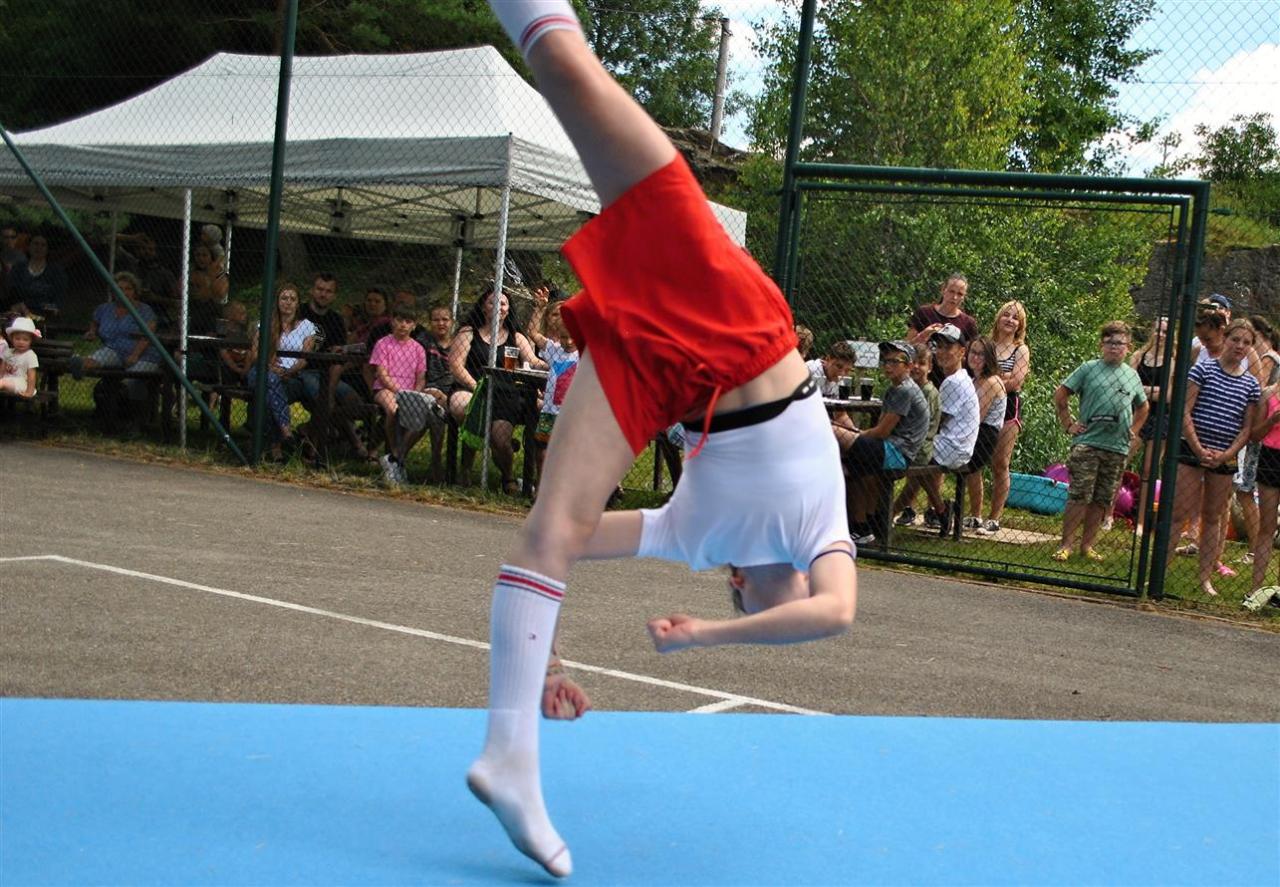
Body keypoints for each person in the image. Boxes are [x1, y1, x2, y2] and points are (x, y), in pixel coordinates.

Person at [467, 6, 857, 878]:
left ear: (740, 583)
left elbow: (555, 547)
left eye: (756, 604)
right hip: (731, 320)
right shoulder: (820, 535)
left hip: (663, 364)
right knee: (569, 72)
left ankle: (510, 750)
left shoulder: (696, 536)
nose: (780, 598)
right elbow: (832, 614)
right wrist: (711, 636)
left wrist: (544, 656)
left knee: (553, 526)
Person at [1161, 318, 1259, 596]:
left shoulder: (1251, 384)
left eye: (1246, 342)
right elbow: (1185, 410)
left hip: (1224, 457)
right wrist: (1197, 448)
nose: (1239, 346)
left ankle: (1205, 578)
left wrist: (1227, 454)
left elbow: (1246, 428)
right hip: (1191, 450)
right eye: (1235, 339)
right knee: (1178, 513)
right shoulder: (1203, 369)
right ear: (1225, 338)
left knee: (1213, 517)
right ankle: (1160, 571)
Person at [447, 287, 545, 494]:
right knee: (464, 408)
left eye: (503, 303)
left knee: (500, 440)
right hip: (471, 387)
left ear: (508, 310)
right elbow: (456, 365)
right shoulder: (468, 333)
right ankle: (465, 469)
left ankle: (507, 476)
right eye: (493, 302)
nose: (498, 307)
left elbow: (533, 361)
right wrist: (477, 388)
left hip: (505, 393)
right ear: (483, 307)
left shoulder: (516, 337)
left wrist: (555, 364)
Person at [890, 324, 978, 534]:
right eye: (940, 347)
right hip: (955, 445)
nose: (942, 352)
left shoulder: (953, 382)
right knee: (917, 465)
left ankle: (887, 514)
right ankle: (940, 510)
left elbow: (935, 423)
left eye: (949, 347)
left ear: (962, 352)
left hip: (952, 447)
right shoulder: (959, 378)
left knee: (906, 455)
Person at [841, 340, 930, 544]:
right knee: (853, 466)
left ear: (908, 366)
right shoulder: (894, 389)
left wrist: (856, 436)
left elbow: (881, 431)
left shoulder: (904, 390)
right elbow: (880, 428)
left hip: (899, 455)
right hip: (889, 448)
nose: (888, 366)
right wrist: (858, 436)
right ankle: (865, 526)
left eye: (894, 362)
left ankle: (861, 527)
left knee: (837, 436)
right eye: (885, 361)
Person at [69, 272, 163, 413]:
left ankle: (135, 416)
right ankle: (80, 365)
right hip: (114, 349)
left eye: (128, 289)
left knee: (131, 381)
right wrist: (92, 332)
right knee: (97, 358)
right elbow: (95, 322)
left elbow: (147, 335)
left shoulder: (145, 310)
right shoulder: (104, 309)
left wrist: (135, 355)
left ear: (135, 291)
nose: (123, 292)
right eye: (119, 288)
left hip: (143, 355)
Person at [247, 282, 317, 462]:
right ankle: (286, 431)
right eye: (284, 298)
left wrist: (288, 371)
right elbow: (255, 353)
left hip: (290, 375)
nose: (288, 302)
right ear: (277, 301)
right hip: (262, 371)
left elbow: (304, 358)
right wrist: (269, 366)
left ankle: (274, 449)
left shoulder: (307, 326)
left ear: (298, 303)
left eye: (292, 299)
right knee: (271, 380)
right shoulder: (266, 324)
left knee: (268, 394)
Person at [1230, 315, 1280, 564]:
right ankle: (1255, 548)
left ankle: (1254, 548)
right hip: (1263, 435)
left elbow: (1257, 390)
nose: (1246, 345)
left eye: (1251, 340)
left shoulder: (1268, 359)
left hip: (1262, 442)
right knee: (1243, 491)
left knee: (1245, 490)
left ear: (1260, 336)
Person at [980, 301, 1030, 536]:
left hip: (1008, 408)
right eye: (1006, 315)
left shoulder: (1021, 349)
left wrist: (992, 379)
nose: (1010, 320)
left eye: (1015, 317)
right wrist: (1003, 376)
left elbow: (1017, 381)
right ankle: (975, 514)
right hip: (981, 404)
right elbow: (976, 371)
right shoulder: (987, 345)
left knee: (1000, 463)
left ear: (1020, 324)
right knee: (976, 462)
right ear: (998, 318)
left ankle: (994, 518)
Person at [1123, 315, 1173, 535]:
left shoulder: (1172, 361)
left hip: (1161, 418)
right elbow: (1128, 386)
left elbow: (1168, 395)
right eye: (1158, 330)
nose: (1161, 335)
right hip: (1137, 415)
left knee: (1149, 471)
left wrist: (1141, 389)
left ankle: (1141, 521)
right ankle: (1107, 513)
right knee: (1122, 460)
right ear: (1152, 331)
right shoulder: (1138, 356)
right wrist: (1153, 391)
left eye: (1165, 332)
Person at [526, 289, 580, 488]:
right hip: (549, 413)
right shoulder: (554, 350)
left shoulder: (584, 354)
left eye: (573, 337)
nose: (569, 342)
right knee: (542, 452)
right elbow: (533, 333)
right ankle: (541, 488)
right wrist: (539, 309)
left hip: (571, 415)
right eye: (564, 337)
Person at [370, 306, 429, 485]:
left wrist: (415, 393)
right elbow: (382, 374)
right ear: (392, 321)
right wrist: (398, 391)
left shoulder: (418, 348)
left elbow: (421, 377)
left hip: (410, 391)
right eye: (399, 320)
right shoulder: (383, 344)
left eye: (408, 321)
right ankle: (395, 452)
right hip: (385, 389)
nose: (403, 325)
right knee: (393, 409)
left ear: (414, 325)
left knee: (422, 416)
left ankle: (396, 457)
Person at [960, 337, 1007, 533]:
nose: (976, 357)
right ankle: (975, 515)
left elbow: (977, 415)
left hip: (985, 431)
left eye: (981, 354)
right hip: (972, 429)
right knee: (973, 472)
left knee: (973, 468)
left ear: (989, 358)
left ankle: (991, 518)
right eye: (973, 352)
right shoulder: (972, 379)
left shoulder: (991, 381)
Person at [907, 273, 978, 385]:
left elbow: (969, 357)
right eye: (951, 291)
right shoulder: (924, 313)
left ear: (964, 297)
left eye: (960, 294)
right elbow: (906, 348)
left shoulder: (968, 323)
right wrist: (924, 335)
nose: (954, 297)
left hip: (950, 380)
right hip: (920, 377)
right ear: (943, 290)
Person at [6, 233, 67, 319]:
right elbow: (11, 293)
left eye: (43, 245)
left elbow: (58, 300)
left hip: (45, 315)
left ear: (47, 249)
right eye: (35, 244)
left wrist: (50, 309)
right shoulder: (18, 268)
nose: (39, 247)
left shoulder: (56, 271)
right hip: (20, 314)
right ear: (29, 247)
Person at [0, 315, 40, 398]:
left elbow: (31, 376)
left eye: (25, 339)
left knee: (2, 383)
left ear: (31, 341)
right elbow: (2, 370)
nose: (21, 342)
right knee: (2, 382)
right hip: (6, 380)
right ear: (12, 339)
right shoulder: (8, 352)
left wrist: (29, 392)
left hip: (21, 383)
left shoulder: (30, 355)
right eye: (17, 339)